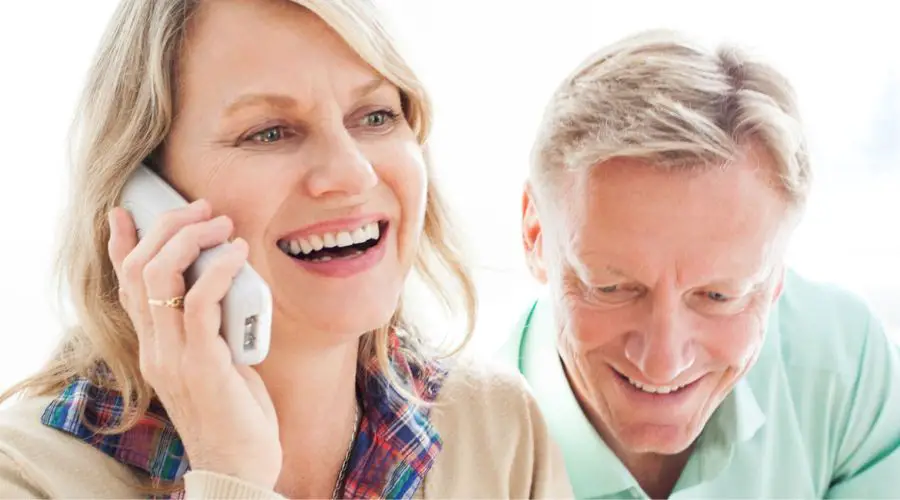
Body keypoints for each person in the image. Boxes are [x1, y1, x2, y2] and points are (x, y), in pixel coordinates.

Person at [0, 0, 572, 498]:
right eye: (269, 132)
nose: (351, 173)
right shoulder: (25, 475)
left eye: (375, 116)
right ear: (146, 197)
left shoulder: (496, 431)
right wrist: (233, 478)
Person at [500, 29, 900, 498]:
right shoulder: (458, 452)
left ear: (775, 274)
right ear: (535, 235)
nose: (663, 363)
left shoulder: (843, 367)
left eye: (718, 296)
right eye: (612, 287)